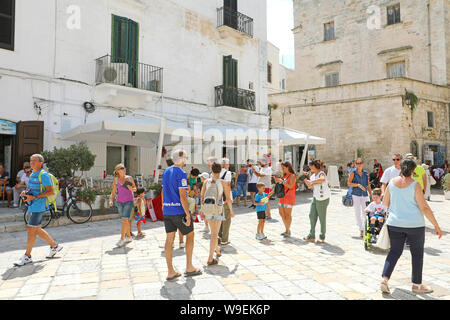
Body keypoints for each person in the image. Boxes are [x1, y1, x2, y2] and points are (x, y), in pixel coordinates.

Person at [380, 159, 442, 294]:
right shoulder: (415, 185)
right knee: (417, 254)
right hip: (414, 225)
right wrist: (436, 225)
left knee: (394, 252)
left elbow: (385, 203)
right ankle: (416, 285)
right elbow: (424, 207)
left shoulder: (391, 183)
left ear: (400, 169)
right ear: (413, 171)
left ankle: (385, 279)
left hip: (394, 224)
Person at [14, 154, 63, 266]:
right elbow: (31, 189)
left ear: (41, 163)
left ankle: (27, 256)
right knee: (37, 229)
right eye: (30, 161)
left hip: (39, 206)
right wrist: (25, 192)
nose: (31, 163)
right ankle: (54, 246)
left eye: (34, 161)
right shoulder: (32, 175)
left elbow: (51, 191)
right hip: (32, 205)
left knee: (31, 230)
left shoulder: (43, 175)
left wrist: (34, 197)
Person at [161, 149, 202, 280]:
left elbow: (163, 191)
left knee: (169, 240)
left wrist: (164, 205)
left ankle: (170, 271)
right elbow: (183, 196)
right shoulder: (181, 173)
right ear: (182, 159)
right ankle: (189, 267)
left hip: (167, 210)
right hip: (179, 210)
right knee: (190, 235)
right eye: (186, 157)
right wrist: (188, 214)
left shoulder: (166, 172)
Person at [201, 163, 234, 265]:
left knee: (213, 233)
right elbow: (228, 198)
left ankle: (217, 250)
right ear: (220, 171)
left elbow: (202, 197)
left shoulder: (206, 181)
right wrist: (231, 211)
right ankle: (210, 258)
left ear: (211, 170)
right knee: (214, 234)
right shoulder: (224, 182)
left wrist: (202, 210)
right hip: (218, 209)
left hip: (208, 208)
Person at [109, 163, 137, 247]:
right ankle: (128, 236)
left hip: (129, 201)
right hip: (119, 202)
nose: (124, 169)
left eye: (124, 168)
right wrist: (111, 200)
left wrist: (131, 188)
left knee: (125, 219)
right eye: (122, 168)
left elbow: (135, 189)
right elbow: (113, 192)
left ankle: (122, 239)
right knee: (125, 220)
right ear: (118, 170)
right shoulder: (116, 180)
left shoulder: (129, 178)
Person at [303, 160, 331, 243]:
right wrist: (306, 182)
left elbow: (322, 179)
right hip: (315, 197)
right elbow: (310, 186)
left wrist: (311, 182)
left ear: (315, 166)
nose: (310, 168)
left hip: (323, 198)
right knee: (311, 215)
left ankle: (322, 237)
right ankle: (311, 235)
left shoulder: (321, 173)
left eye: (311, 166)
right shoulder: (312, 176)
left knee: (322, 218)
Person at [347, 158, 372, 238]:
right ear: (355, 164)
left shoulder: (365, 173)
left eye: (360, 163)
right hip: (356, 194)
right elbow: (349, 183)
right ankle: (361, 229)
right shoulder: (353, 173)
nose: (359, 164)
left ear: (363, 163)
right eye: (357, 163)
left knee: (365, 212)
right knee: (357, 212)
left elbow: (368, 185)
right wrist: (357, 185)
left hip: (364, 195)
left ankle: (366, 228)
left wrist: (371, 195)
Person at [274, 161, 296, 237]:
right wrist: (278, 181)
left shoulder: (292, 176)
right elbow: (282, 185)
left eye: (283, 168)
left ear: (288, 167)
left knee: (288, 214)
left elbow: (290, 186)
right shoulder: (284, 176)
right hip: (282, 196)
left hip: (289, 197)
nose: (282, 169)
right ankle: (287, 229)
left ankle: (287, 230)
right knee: (281, 213)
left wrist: (282, 181)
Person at [218, 158, 233, 246]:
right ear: (225, 165)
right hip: (225, 197)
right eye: (228, 164)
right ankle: (224, 239)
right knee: (227, 218)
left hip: (217, 198)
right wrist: (229, 198)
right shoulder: (227, 173)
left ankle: (219, 236)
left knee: (219, 217)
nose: (229, 165)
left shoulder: (215, 172)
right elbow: (227, 186)